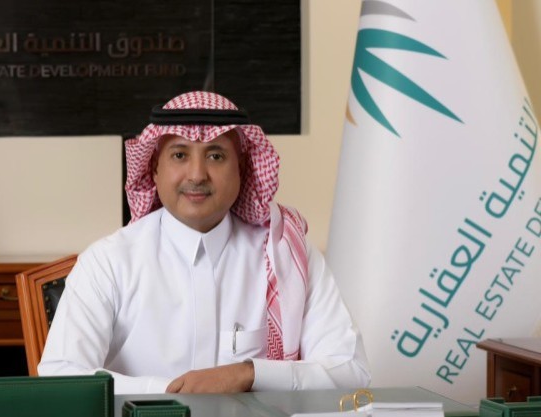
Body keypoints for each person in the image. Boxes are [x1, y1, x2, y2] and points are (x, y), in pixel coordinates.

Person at [37, 91, 370, 394]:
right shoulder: (109, 261)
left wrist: (248, 374)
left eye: (215, 156)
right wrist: (171, 393)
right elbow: (61, 376)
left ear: (242, 168)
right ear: (154, 169)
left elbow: (350, 371)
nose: (197, 175)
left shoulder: (286, 254)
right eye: (179, 155)